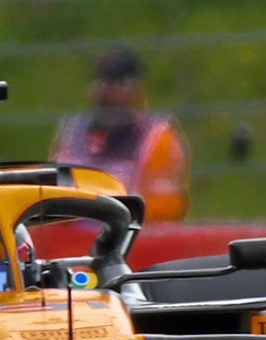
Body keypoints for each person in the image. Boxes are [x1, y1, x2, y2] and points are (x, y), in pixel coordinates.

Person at [50, 48, 190, 221]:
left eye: (119, 83)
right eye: (103, 81)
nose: (109, 91)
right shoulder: (72, 133)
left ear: (139, 89)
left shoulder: (157, 136)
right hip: (75, 236)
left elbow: (166, 208)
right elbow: (53, 197)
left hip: (133, 236)